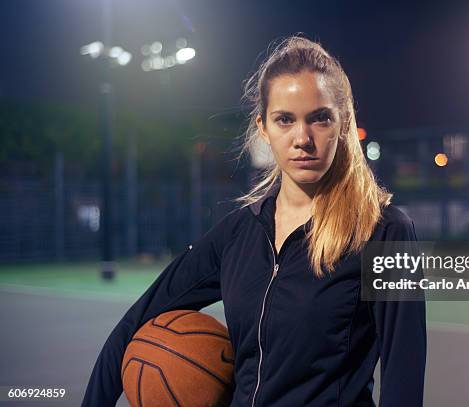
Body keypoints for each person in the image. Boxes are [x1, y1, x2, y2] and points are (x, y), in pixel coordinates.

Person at [82, 36, 426, 407]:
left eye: (320, 118)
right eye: (285, 120)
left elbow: (404, 378)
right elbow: (134, 325)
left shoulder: (385, 233)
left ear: (342, 123)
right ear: (264, 127)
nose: (303, 139)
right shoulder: (237, 234)